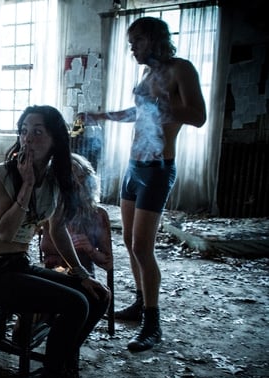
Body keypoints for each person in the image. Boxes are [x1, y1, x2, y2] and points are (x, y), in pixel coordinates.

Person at [0, 105, 111, 378]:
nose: (28, 139)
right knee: (76, 305)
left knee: (97, 297)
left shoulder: (55, 180)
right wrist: (27, 186)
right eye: (24, 131)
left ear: (55, 140)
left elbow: (57, 231)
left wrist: (81, 274)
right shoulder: (1, 175)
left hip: (19, 266)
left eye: (37, 132)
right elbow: (6, 231)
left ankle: (49, 376)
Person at [79, 16, 206, 352]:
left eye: (136, 41)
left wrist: (164, 106)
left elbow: (198, 116)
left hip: (157, 169)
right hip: (133, 167)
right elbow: (138, 114)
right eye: (130, 42)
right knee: (128, 241)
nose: (132, 48)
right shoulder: (147, 75)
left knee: (142, 248)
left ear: (154, 39)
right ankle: (139, 302)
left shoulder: (180, 69)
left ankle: (153, 323)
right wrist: (102, 116)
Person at [41, 153, 112, 276]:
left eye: (77, 181)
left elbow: (108, 264)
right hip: (52, 278)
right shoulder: (49, 210)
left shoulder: (97, 214)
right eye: (65, 182)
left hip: (83, 280)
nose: (71, 188)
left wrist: (90, 249)